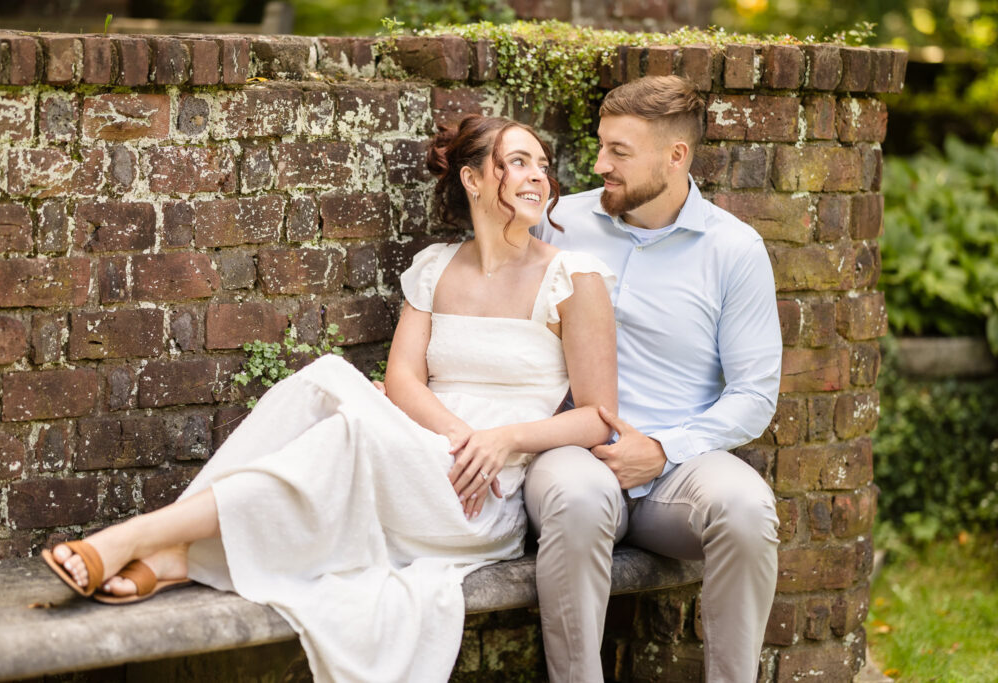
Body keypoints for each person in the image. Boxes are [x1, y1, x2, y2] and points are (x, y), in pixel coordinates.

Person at [41, 115, 619, 682]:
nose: (538, 177)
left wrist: (500, 441)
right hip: (428, 449)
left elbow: (598, 418)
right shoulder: (436, 267)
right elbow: (401, 381)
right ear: (472, 179)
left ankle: (139, 539)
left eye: (542, 165)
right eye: (517, 162)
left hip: (483, 495)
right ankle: (174, 557)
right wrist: (459, 437)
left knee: (347, 419)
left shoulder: (572, 276)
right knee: (329, 380)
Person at [527, 75, 783, 682]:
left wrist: (665, 449)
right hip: (574, 450)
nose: (599, 164)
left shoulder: (735, 249)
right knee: (579, 497)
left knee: (748, 509)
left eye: (619, 152)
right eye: (600, 146)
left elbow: (754, 394)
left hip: (679, 468)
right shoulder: (557, 223)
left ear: (676, 156)